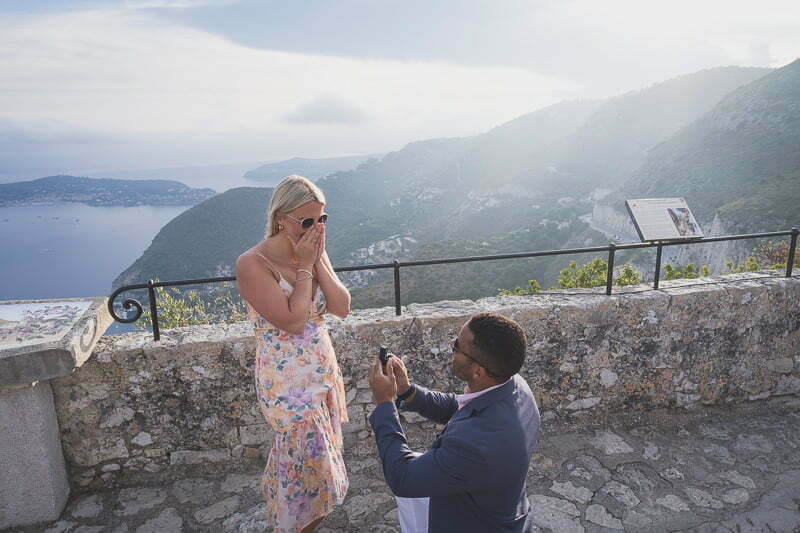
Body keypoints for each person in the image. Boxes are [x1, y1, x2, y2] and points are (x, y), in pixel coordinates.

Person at [236, 175, 352, 533]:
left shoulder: (313, 249)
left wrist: (315, 261)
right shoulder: (253, 263)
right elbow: (292, 321)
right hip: (287, 383)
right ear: (281, 218)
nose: (317, 228)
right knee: (305, 472)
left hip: (321, 373)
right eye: (307, 221)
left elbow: (341, 306)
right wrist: (304, 266)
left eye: (322, 219)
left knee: (318, 473)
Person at [368, 312, 541, 533]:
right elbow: (459, 407)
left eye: (457, 346)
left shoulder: (476, 444)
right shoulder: (514, 386)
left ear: (479, 371)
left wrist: (385, 403)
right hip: (494, 505)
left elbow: (402, 477)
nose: (452, 345)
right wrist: (408, 391)